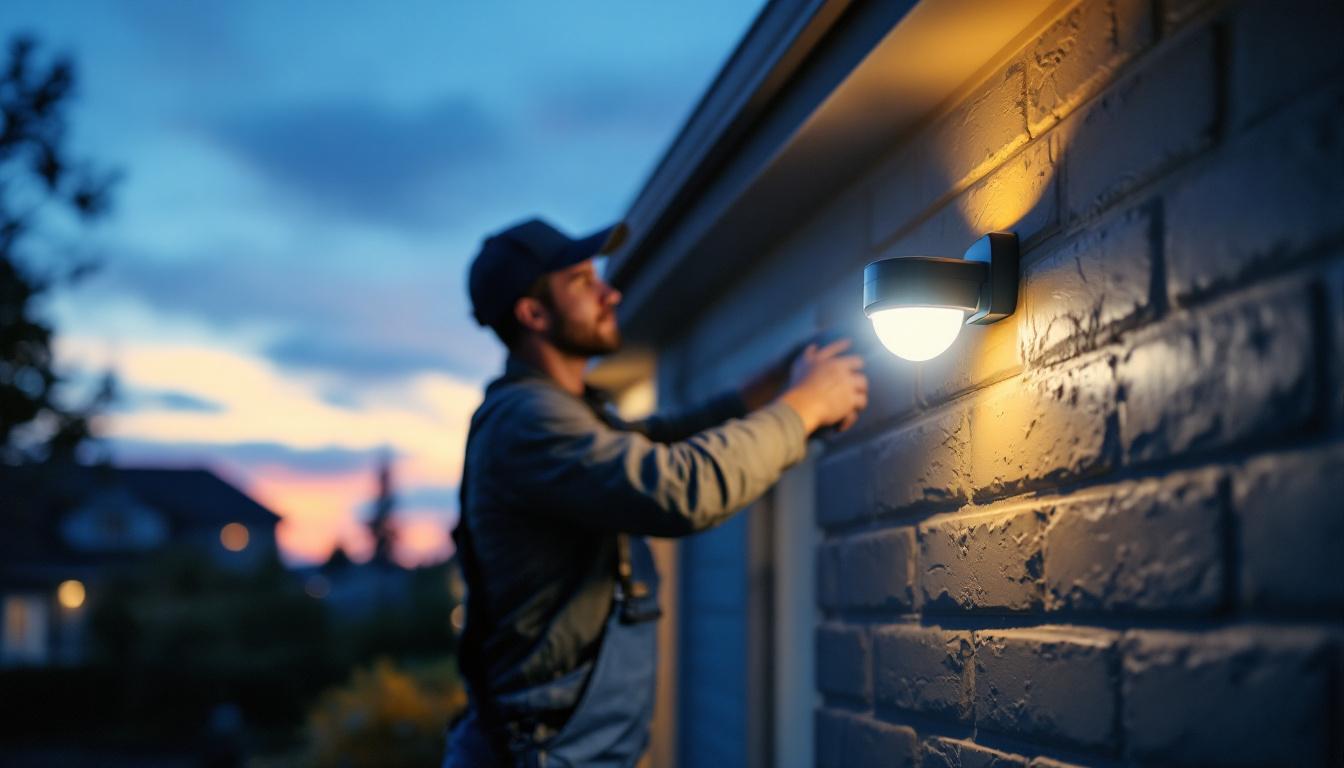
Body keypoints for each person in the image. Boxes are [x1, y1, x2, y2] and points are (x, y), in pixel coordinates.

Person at [444, 217, 868, 767]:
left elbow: (663, 437)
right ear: (533, 313)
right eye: (581, 282)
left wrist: (781, 379)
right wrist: (806, 406)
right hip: (543, 753)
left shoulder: (568, 415)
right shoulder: (527, 422)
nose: (610, 292)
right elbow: (677, 487)